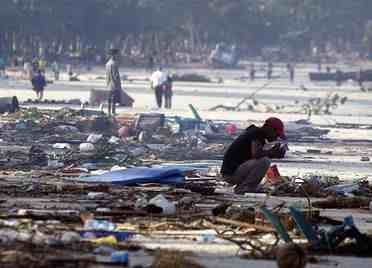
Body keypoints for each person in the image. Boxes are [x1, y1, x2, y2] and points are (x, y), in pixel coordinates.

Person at [220, 117, 287, 194]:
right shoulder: (257, 133)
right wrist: (272, 152)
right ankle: (244, 188)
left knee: (264, 160)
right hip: (231, 174)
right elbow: (256, 154)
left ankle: (245, 187)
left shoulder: (255, 132)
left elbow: (254, 155)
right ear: (269, 129)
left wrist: (274, 154)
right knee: (264, 161)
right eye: (276, 134)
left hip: (232, 172)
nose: (276, 137)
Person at [106, 48, 122, 115]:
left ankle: (109, 112)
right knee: (114, 99)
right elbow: (116, 76)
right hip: (114, 84)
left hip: (109, 84)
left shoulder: (107, 63)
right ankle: (113, 112)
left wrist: (107, 83)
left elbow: (107, 75)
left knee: (109, 99)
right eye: (117, 55)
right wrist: (119, 85)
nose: (117, 56)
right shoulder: (114, 64)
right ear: (114, 55)